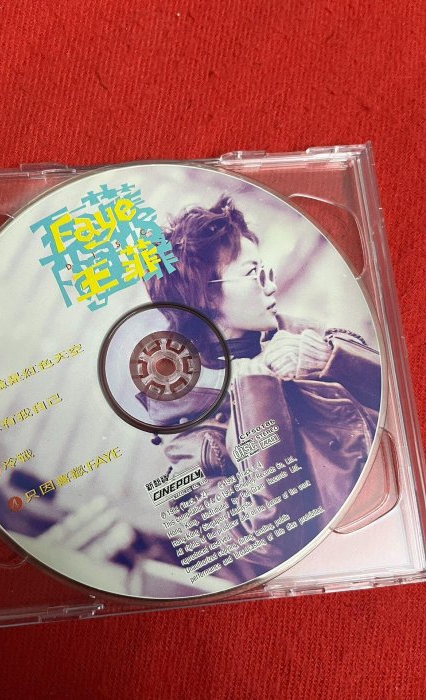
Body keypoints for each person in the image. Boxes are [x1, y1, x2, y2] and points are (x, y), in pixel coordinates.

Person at [143, 195, 381, 580]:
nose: (271, 285)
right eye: (253, 274)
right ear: (206, 297)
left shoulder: (306, 335)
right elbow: (266, 546)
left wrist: (330, 359)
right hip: (354, 561)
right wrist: (257, 391)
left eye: (266, 269)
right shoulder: (189, 433)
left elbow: (402, 398)